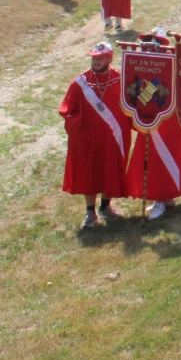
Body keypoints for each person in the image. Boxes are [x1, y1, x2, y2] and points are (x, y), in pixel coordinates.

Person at [125, 29, 181, 220]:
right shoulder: (139, 64)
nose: (148, 47)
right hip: (148, 116)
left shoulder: (173, 64)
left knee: (167, 156)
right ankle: (161, 197)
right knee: (151, 157)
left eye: (154, 43)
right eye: (146, 42)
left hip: (169, 118)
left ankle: (164, 197)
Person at [59, 42, 130, 228]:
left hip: (113, 137)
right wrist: (78, 128)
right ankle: (90, 213)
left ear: (109, 58)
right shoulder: (80, 82)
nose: (96, 61)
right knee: (89, 173)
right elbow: (67, 110)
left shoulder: (121, 79)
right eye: (94, 57)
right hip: (88, 139)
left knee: (111, 168)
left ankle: (105, 207)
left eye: (100, 57)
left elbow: (131, 104)